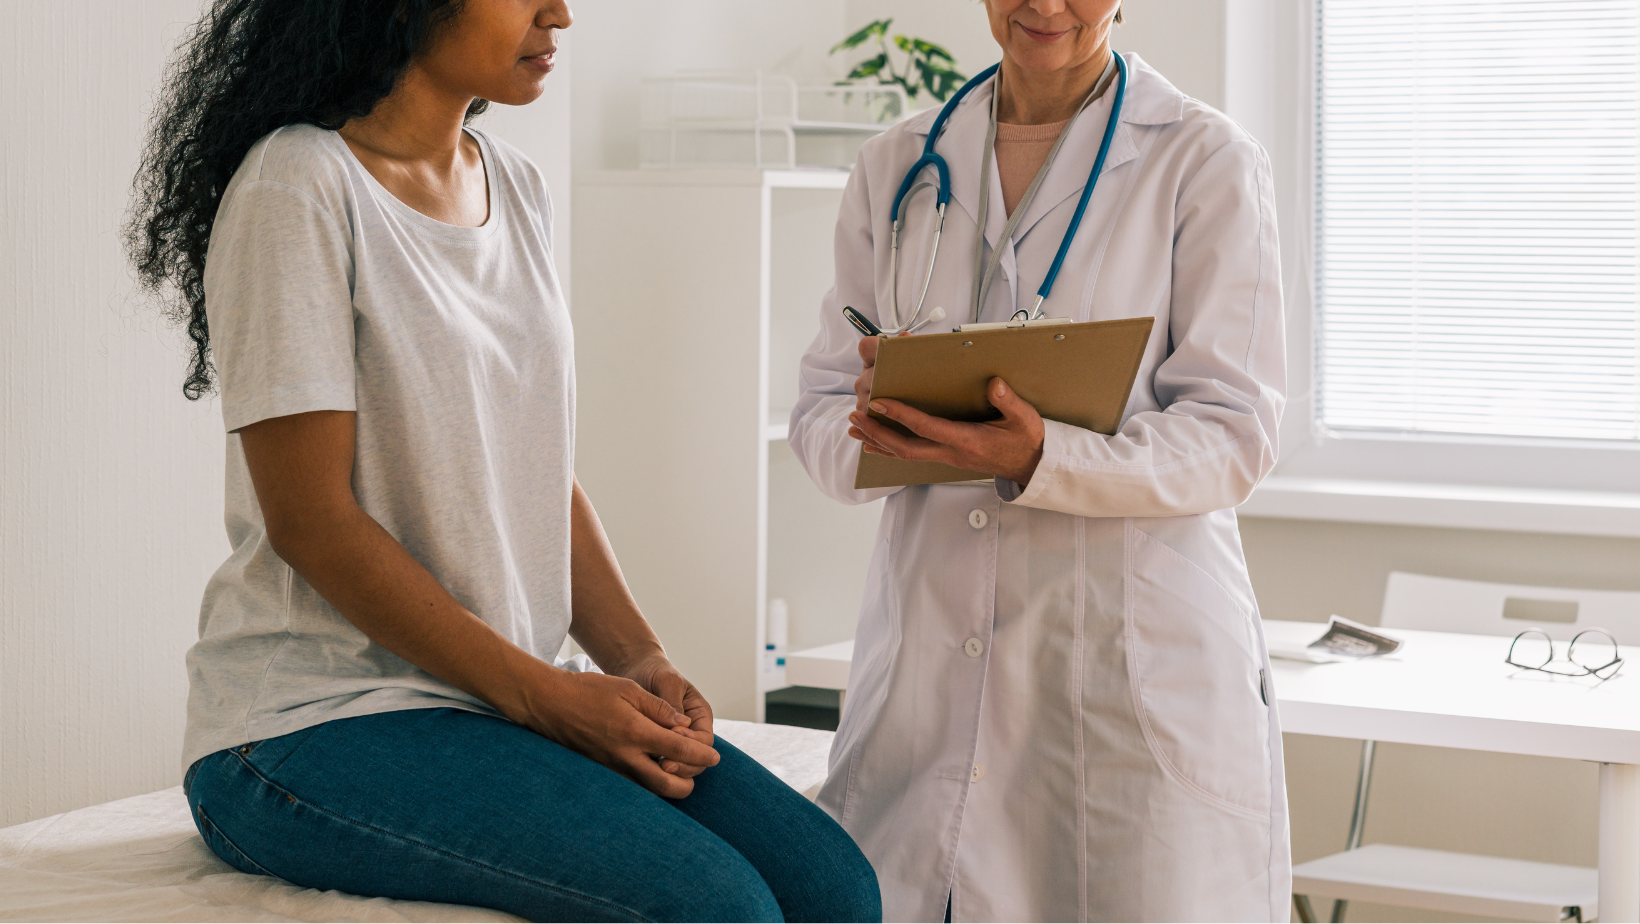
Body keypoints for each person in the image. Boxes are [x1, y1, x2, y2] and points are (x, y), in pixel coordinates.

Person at [124, 1, 880, 921]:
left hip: (492, 699)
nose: (560, 13)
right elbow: (311, 522)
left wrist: (636, 657)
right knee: (721, 909)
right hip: (312, 724)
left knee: (837, 888)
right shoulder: (299, 184)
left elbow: (537, 470)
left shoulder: (515, 185)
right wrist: (547, 699)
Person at [788, 0, 1289, 920]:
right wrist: (880, 428)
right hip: (929, 671)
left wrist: (1046, 457)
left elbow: (1234, 431)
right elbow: (820, 405)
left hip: (1126, 670)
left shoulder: (1201, 157)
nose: (1046, 6)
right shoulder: (900, 164)